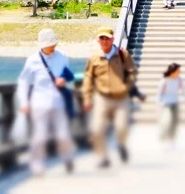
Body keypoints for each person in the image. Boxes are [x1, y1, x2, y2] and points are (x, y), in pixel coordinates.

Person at [17, 28, 76, 176]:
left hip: (58, 101)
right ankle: (37, 165)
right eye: (50, 44)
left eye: (54, 43)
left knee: (63, 134)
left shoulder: (62, 56)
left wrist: (64, 80)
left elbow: (68, 74)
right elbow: (24, 82)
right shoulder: (33, 60)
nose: (53, 46)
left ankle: (67, 158)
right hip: (40, 103)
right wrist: (24, 102)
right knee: (40, 136)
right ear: (42, 45)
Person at [82, 26, 137, 169]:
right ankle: (103, 157)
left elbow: (132, 72)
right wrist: (87, 97)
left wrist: (127, 85)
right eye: (102, 38)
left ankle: (121, 144)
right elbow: (88, 77)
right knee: (96, 129)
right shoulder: (94, 57)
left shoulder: (122, 54)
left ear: (112, 39)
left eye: (107, 38)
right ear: (98, 40)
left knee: (122, 127)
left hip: (121, 97)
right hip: (102, 97)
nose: (105, 41)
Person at [157, 63, 185, 148]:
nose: (179, 72)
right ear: (172, 71)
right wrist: (158, 105)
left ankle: (172, 140)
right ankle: (163, 137)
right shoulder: (164, 80)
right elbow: (159, 94)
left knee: (175, 122)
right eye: (178, 71)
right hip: (166, 103)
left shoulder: (180, 80)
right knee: (167, 120)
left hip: (175, 102)